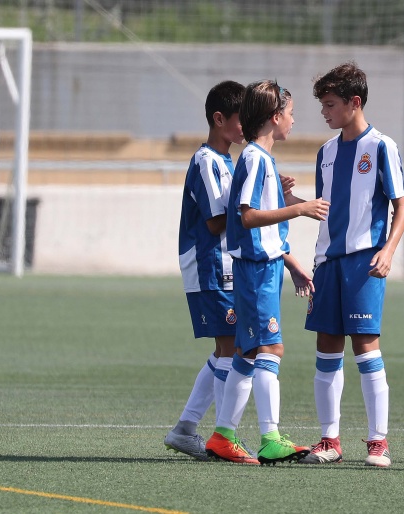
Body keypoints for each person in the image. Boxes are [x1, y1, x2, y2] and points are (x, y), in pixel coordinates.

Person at [205, 79, 330, 466]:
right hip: (256, 270)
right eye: (291, 114)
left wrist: (291, 263)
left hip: (264, 267)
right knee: (271, 349)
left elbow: (264, 220)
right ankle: (270, 437)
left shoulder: (261, 159)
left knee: (246, 352)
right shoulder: (257, 158)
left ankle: (223, 435)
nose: (293, 121)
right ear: (275, 117)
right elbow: (248, 216)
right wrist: (300, 210)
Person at [299, 62, 404, 468]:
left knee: (365, 347)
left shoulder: (382, 146)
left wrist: (389, 249)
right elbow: (326, 209)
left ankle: (378, 442)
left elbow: (402, 205)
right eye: (323, 105)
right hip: (328, 263)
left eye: (330, 104)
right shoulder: (325, 153)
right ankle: (330, 439)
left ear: (354, 102)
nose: (324, 113)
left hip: (364, 262)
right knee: (326, 348)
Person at [164, 80, 246, 461]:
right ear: (219, 119)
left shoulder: (225, 162)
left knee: (228, 348)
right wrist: (256, 205)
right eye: (241, 118)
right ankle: (220, 433)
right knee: (233, 348)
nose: (247, 125)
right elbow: (216, 222)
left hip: (223, 266)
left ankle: (186, 428)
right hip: (212, 266)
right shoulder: (207, 161)